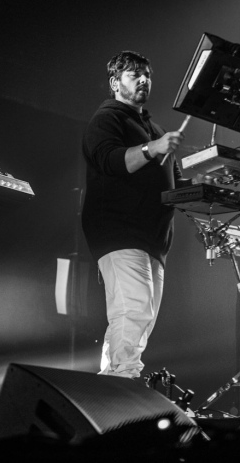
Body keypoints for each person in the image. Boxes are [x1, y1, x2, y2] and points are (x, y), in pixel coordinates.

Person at [81, 50, 189, 379]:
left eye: (147, 75)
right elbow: (110, 160)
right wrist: (152, 149)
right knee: (134, 311)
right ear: (115, 83)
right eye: (134, 75)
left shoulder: (153, 128)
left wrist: (208, 182)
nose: (144, 80)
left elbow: (177, 185)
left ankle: (109, 385)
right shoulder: (108, 118)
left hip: (152, 240)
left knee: (138, 318)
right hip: (120, 231)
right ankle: (123, 385)